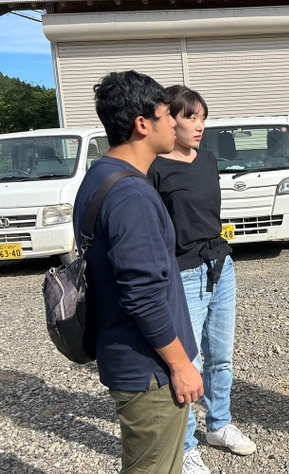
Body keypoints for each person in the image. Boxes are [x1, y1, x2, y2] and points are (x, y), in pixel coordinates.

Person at [74, 71, 203, 474]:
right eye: (167, 114)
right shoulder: (132, 194)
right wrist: (182, 365)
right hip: (149, 369)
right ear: (142, 124)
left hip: (125, 355)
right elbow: (143, 295)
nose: (175, 123)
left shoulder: (100, 176)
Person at [148, 86, 256, 474]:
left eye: (203, 117)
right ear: (168, 119)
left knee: (221, 356)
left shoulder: (207, 159)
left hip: (221, 265)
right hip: (183, 273)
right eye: (191, 117)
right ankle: (185, 443)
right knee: (187, 363)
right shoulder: (155, 168)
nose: (199, 126)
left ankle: (220, 424)